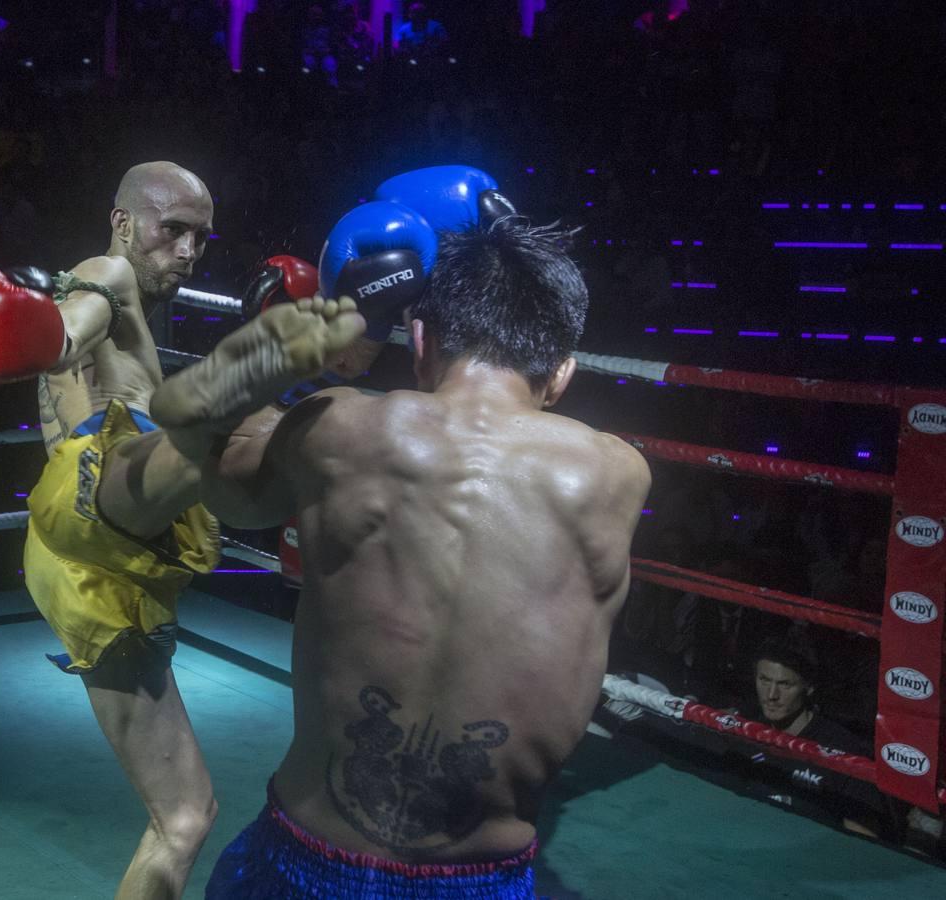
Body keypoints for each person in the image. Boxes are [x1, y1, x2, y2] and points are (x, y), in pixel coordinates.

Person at [156, 180, 652, 896]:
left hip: (299, 860)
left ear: (420, 340)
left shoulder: (341, 428)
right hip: (479, 880)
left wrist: (305, 345)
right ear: (563, 373)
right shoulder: (616, 475)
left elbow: (215, 469)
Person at [0, 160, 365, 900]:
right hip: (96, 485)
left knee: (184, 817)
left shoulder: (141, 303)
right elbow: (71, 328)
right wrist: (42, 331)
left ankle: (234, 418)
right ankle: (220, 417)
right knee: (220, 435)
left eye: (200, 240)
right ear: (123, 222)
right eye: (171, 230)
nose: (186, 251)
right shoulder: (106, 271)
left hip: (99, 570)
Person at [745, 633, 889, 837]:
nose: (771, 695)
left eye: (785, 684)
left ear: (809, 687)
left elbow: (863, 839)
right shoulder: (744, 727)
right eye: (764, 680)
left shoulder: (842, 750)